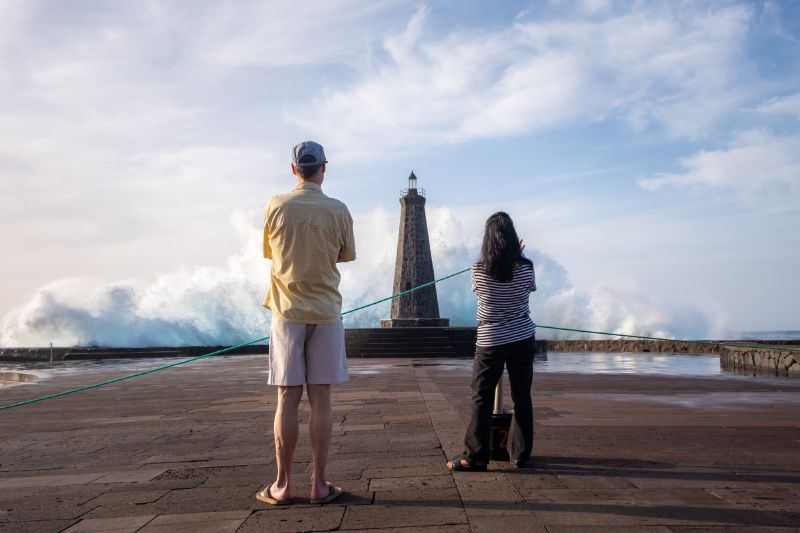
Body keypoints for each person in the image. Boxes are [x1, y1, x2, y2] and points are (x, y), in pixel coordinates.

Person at [257, 140, 356, 505]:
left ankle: (282, 485)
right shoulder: (339, 209)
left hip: (287, 313)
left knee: (287, 397)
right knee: (321, 398)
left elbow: (270, 251)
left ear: (294, 169)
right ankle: (319, 483)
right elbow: (346, 255)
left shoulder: (275, 205)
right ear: (323, 168)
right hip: (327, 312)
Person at [448, 211, 536, 471]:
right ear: (513, 237)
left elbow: (482, 290)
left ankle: (475, 456)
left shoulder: (478, 269)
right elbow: (528, 287)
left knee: (481, 397)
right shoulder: (527, 267)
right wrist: (517, 256)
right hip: (522, 336)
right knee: (522, 396)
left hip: (491, 339)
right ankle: (520, 454)